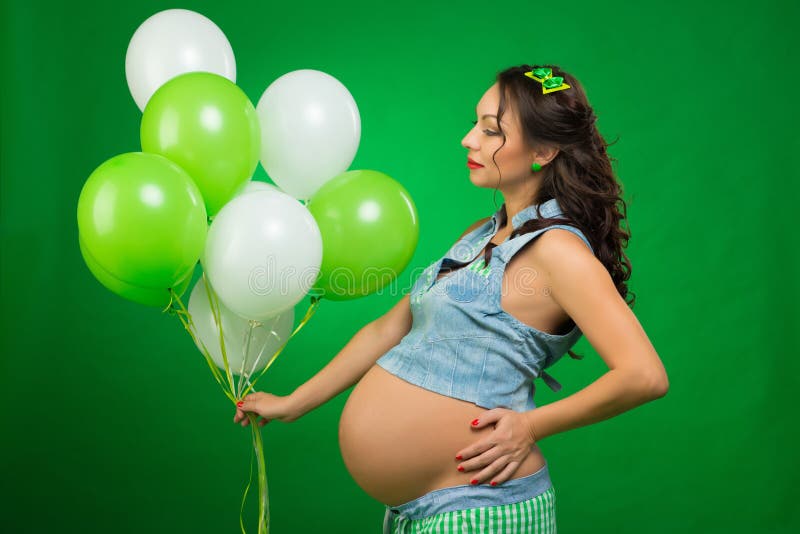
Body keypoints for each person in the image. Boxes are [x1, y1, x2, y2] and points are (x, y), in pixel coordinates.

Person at [234, 64, 669, 533]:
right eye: (475, 124)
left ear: (543, 150)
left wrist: (530, 426)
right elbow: (389, 328)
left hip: (482, 509)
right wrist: (294, 403)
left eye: (491, 130)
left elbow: (644, 375)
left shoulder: (558, 251)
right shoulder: (478, 236)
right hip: (415, 514)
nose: (468, 139)